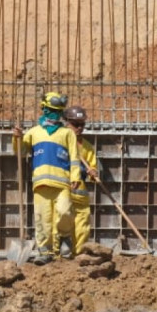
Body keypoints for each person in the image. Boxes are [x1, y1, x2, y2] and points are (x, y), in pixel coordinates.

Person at [13, 91, 81, 265]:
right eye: (50, 110)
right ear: (43, 109)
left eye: (57, 111)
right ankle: (45, 251)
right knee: (42, 219)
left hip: (62, 182)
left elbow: (74, 157)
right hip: (41, 184)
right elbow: (20, 152)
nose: (53, 114)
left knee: (65, 211)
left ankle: (65, 237)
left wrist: (75, 175)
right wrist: (17, 139)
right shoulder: (34, 132)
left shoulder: (67, 134)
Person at [59, 105, 99, 257]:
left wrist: (93, 172)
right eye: (76, 124)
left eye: (82, 124)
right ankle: (58, 256)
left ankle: (79, 256)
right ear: (67, 123)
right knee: (62, 222)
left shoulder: (87, 146)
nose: (80, 128)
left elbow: (92, 169)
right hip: (63, 189)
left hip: (80, 193)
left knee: (82, 226)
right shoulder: (60, 141)